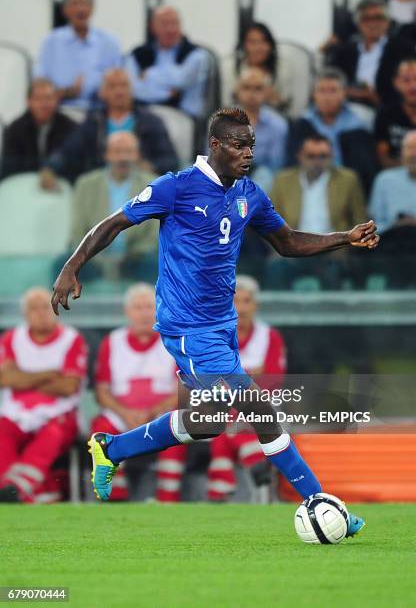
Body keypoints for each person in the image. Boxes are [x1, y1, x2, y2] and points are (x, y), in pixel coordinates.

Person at [52, 107, 379, 537]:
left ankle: (112, 448)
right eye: (240, 145)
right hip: (187, 328)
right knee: (260, 408)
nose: (248, 153)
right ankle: (320, 500)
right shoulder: (177, 187)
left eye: (252, 146)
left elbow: (287, 243)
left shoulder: (249, 194)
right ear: (216, 145)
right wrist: (72, 266)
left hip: (222, 324)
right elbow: (113, 223)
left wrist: (344, 237)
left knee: (208, 421)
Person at [91, 283, 184, 501]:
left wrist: (153, 412)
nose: (144, 313)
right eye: (138, 307)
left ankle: (167, 498)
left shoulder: (172, 341)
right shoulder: (112, 342)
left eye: (149, 307)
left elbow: (184, 387)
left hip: (161, 414)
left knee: (178, 426)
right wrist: (126, 414)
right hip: (121, 415)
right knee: (101, 427)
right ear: (127, 312)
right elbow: (102, 391)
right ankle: (115, 497)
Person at [0, 288, 87, 503]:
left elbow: (68, 387)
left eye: (45, 307)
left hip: (60, 413)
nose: (40, 312)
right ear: (25, 314)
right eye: (34, 308)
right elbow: (6, 379)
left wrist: (24, 379)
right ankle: (28, 492)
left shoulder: (71, 339)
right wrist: (49, 375)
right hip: (16, 413)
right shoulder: (12, 338)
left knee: (53, 433)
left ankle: (17, 489)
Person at [208, 275, 287, 502]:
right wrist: (252, 375)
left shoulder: (269, 337)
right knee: (225, 427)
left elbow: (273, 381)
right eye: (234, 301)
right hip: (222, 407)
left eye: (246, 301)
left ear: (256, 305)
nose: (240, 308)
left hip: (263, 406)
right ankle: (258, 477)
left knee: (229, 431)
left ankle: (220, 491)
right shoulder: (214, 337)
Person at [41, 69, 178, 187]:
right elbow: (68, 151)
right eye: (112, 86)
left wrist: (150, 166)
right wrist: (50, 168)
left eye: (124, 86)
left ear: (132, 90)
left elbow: (171, 160)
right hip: (101, 187)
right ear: (102, 93)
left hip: (140, 188)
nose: (119, 91)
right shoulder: (93, 122)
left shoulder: (151, 122)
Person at [70, 132, 158, 281]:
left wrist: (132, 256)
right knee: (62, 265)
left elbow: (154, 234)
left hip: (137, 257)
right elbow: (77, 229)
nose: (123, 158)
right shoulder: (85, 184)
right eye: (117, 152)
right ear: (107, 155)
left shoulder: (153, 184)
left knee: (154, 263)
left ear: (136, 155)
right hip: (93, 255)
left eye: (128, 152)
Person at [288, 68, 377, 193]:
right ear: (314, 94)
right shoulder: (302, 124)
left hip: (350, 187)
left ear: (344, 94)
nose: (327, 97)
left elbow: (366, 167)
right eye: (322, 91)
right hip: (311, 186)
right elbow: (294, 163)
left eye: (333, 91)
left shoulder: (361, 122)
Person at [34, 0, 122, 109]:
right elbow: (39, 87)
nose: (80, 9)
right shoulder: (51, 43)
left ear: (92, 8)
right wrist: (66, 92)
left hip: (99, 113)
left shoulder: (109, 43)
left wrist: (104, 91)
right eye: (75, 4)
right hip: (60, 111)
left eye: (84, 3)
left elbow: (120, 85)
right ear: (65, 10)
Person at [327, 0, 416, 106]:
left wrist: (374, 97)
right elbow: (331, 79)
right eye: (366, 19)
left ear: (387, 21)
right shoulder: (344, 52)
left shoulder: (403, 50)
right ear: (358, 23)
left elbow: (409, 88)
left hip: (384, 109)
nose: (373, 24)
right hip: (344, 105)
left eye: (378, 18)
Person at [125, 6, 210, 119]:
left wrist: (150, 75)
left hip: (182, 115)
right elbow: (131, 89)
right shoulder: (137, 55)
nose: (170, 29)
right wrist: (167, 94)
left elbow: (182, 79)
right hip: (142, 113)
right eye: (164, 24)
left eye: (174, 23)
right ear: (152, 27)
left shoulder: (197, 55)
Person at [273, 135, 367, 233]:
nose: (317, 161)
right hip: (294, 246)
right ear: (299, 156)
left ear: (332, 156)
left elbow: (360, 219)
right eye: (311, 156)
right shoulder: (283, 181)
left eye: (323, 156)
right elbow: (271, 221)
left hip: (335, 245)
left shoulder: (347, 180)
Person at [1, 79, 76, 181]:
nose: (44, 104)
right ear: (29, 101)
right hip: (23, 185)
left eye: (49, 98)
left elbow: (75, 164)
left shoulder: (71, 127)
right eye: (38, 99)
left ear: (57, 100)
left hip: (59, 185)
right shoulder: (15, 129)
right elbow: (9, 167)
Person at [234, 67, 288, 191]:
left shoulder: (278, 124)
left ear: (268, 92)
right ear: (237, 90)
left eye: (258, 88)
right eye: (246, 87)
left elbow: (276, 167)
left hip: (261, 180)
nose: (251, 94)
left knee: (265, 175)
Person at [370, 129, 416, 232]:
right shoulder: (384, 180)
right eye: (409, 148)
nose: (414, 154)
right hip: (391, 243)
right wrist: (396, 226)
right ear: (402, 152)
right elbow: (374, 226)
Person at [374, 60, 416, 168]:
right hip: (397, 174)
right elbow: (382, 157)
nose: (413, 86)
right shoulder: (385, 114)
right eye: (406, 80)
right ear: (396, 83)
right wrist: (411, 170)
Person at [232, 22, 293, 113]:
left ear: (271, 45)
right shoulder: (233, 68)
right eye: (252, 42)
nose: (258, 47)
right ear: (243, 45)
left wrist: (275, 98)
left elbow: (288, 104)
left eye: (263, 41)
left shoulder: (283, 69)